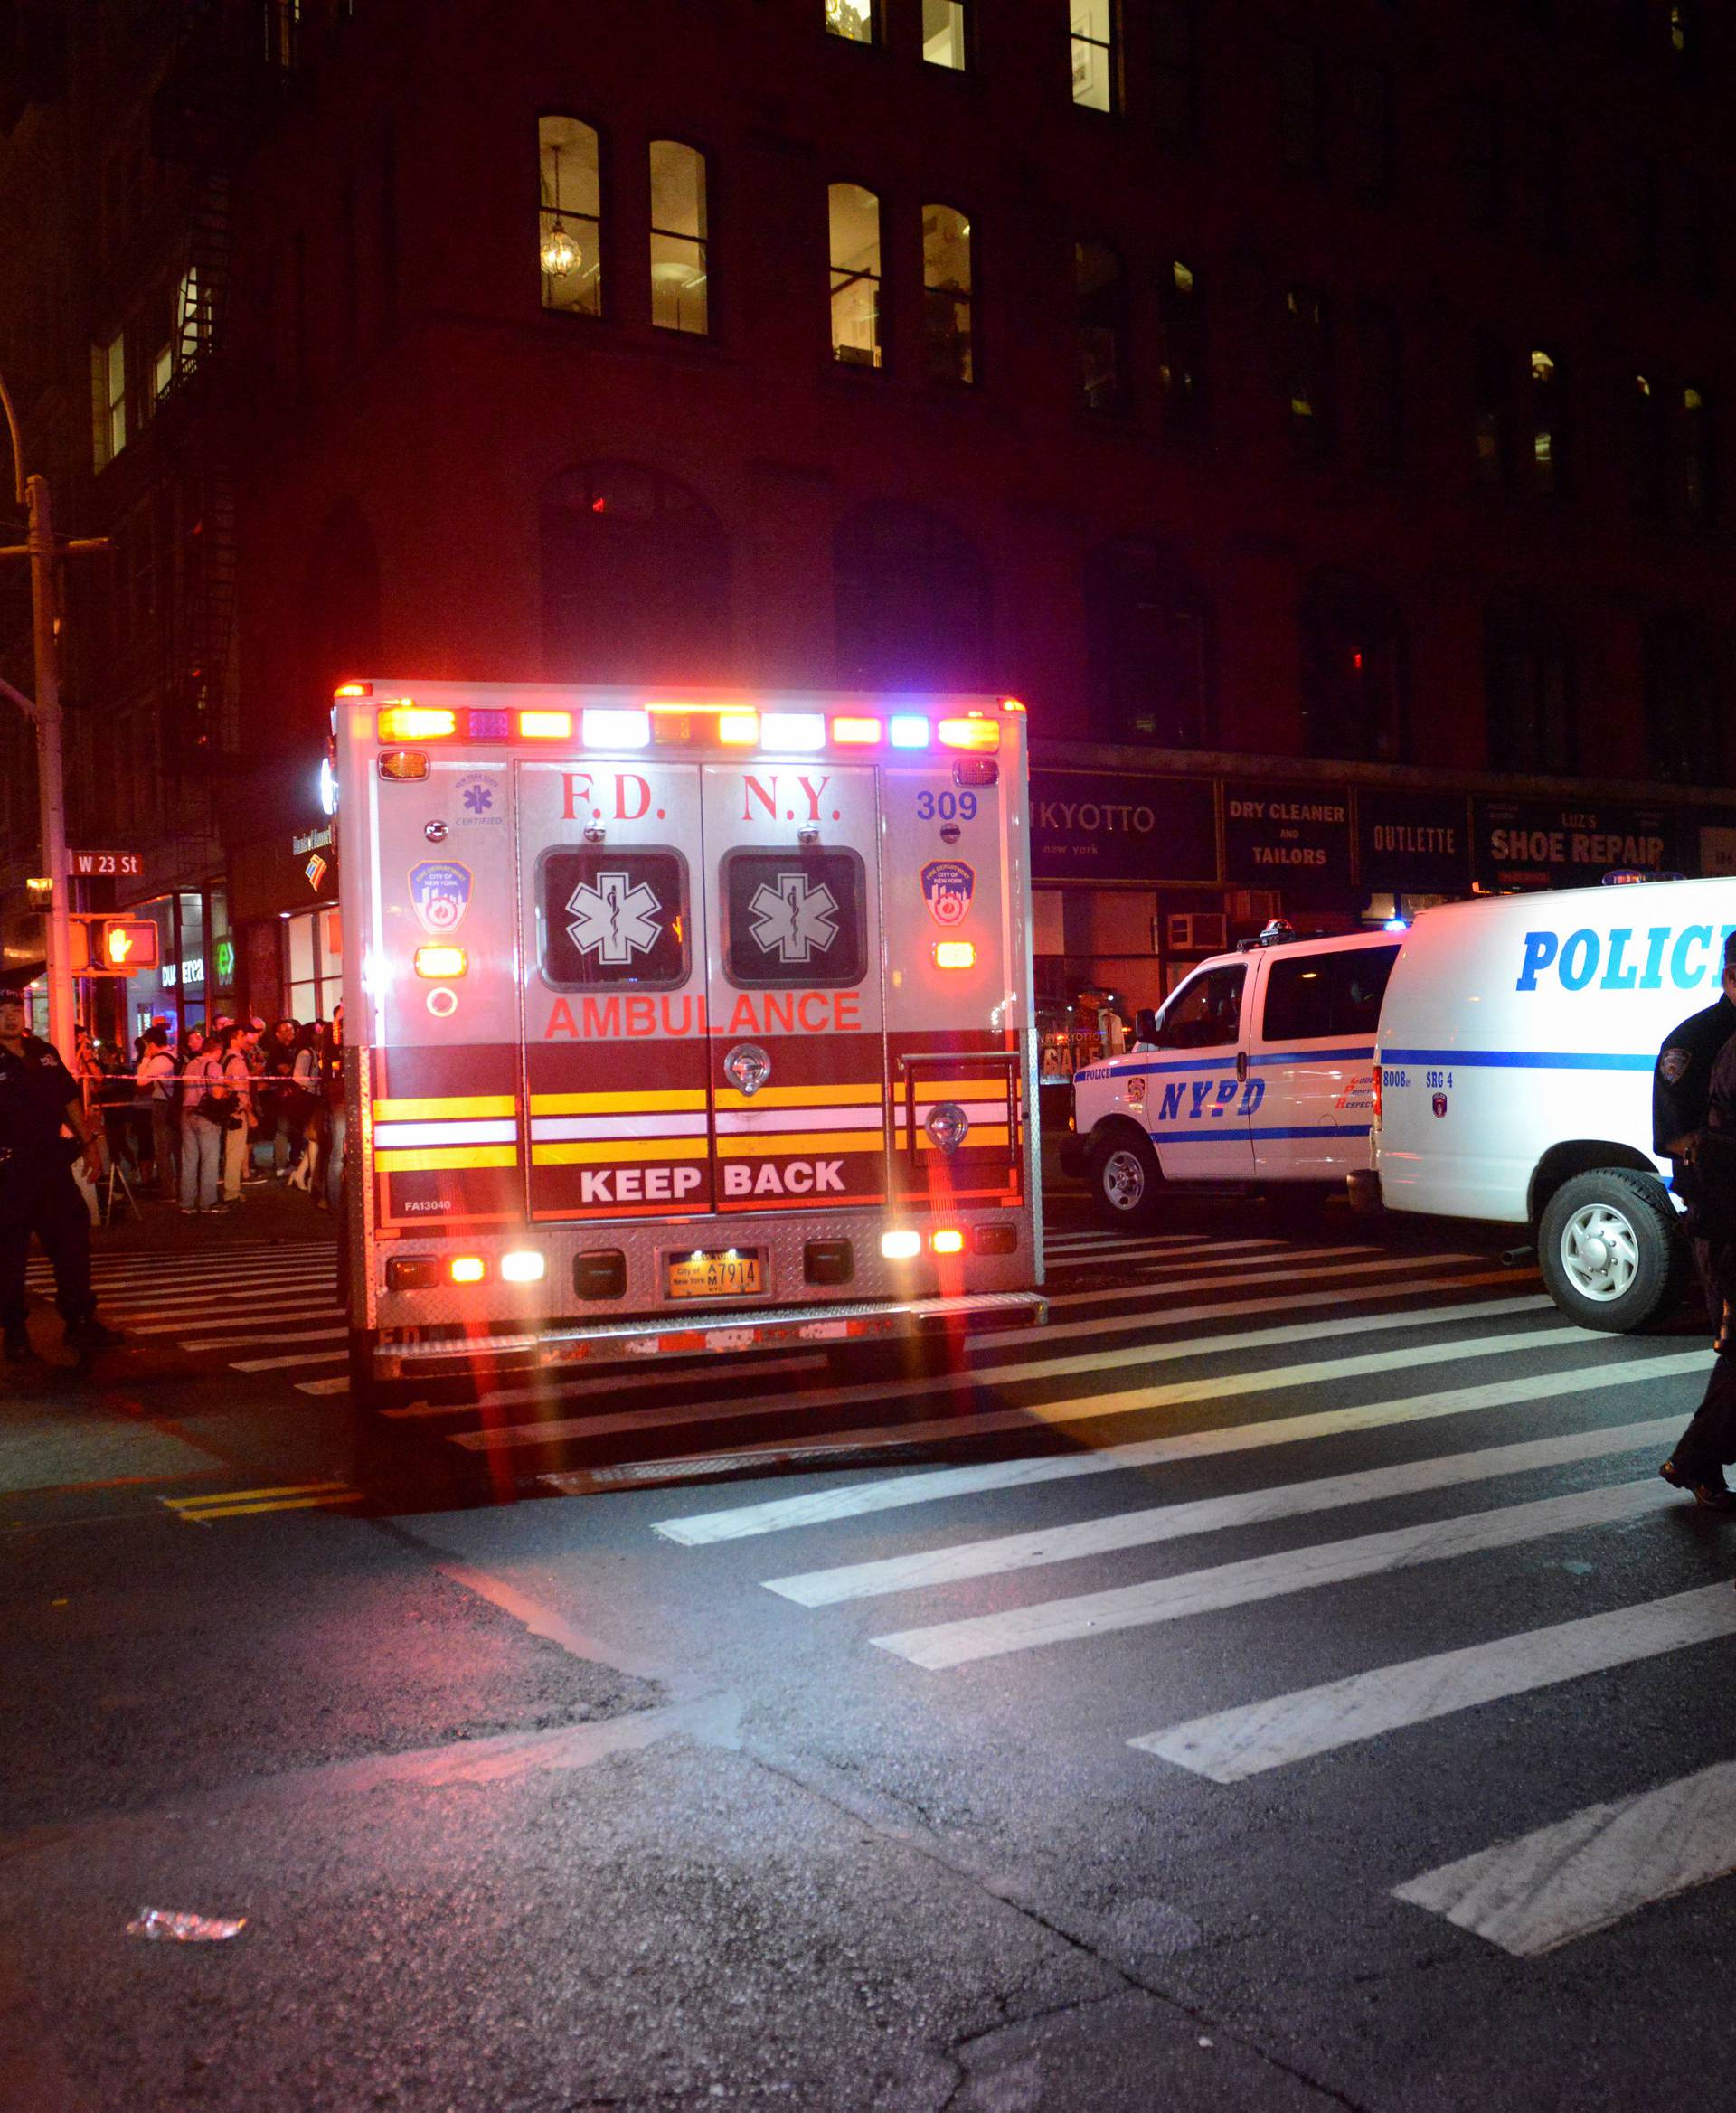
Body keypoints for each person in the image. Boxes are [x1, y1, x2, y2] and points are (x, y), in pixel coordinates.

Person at [1656, 929, 1736, 1507]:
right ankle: (1696, 1462)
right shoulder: (1699, 1041)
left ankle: (1697, 1461)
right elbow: (1677, 1137)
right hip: (1723, 1215)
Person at [0, 989, 121, 1362]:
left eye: (15, 1009)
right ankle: (15, 1332)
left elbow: (69, 1099)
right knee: (9, 1256)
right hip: (8, 1170)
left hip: (50, 1165)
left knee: (72, 1244)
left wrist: (88, 1144)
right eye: (2, 1011)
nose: (10, 1017)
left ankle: (80, 1320)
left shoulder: (43, 1052)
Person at [178, 1027, 235, 1214]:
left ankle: (187, 1203)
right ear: (217, 1049)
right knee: (209, 1159)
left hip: (187, 1113)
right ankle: (207, 1202)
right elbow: (217, 1094)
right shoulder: (214, 1066)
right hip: (206, 1116)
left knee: (189, 1159)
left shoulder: (190, 1064)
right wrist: (228, 1089)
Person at [135, 1025, 178, 1199]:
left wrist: (145, 1059)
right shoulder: (175, 1055)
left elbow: (141, 1081)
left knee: (162, 1149)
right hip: (175, 1104)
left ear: (152, 1043)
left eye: (147, 1044)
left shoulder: (159, 1060)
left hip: (163, 1105)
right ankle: (182, 1186)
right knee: (177, 1147)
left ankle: (168, 1191)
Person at [220, 1021, 259, 1203]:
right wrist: (250, 1114)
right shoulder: (237, 1062)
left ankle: (230, 1189)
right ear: (234, 1038)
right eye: (243, 1036)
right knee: (236, 1152)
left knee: (231, 1151)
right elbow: (240, 1092)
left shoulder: (224, 1059)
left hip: (227, 1110)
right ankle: (232, 1192)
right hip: (237, 1112)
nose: (246, 1039)